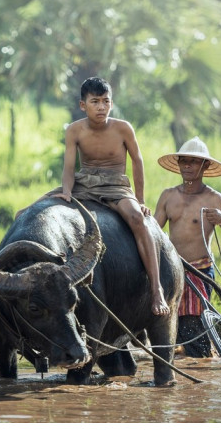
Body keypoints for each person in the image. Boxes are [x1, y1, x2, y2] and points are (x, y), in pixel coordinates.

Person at [48, 76, 169, 315]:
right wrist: (66, 192)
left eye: (106, 101)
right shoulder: (74, 130)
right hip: (85, 182)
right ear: (83, 105)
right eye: (95, 102)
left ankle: (157, 289)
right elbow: (69, 167)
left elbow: (137, 162)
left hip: (115, 185)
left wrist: (140, 200)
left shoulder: (123, 128)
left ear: (111, 103)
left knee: (137, 219)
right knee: (30, 211)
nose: (101, 107)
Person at [153, 137, 221, 357]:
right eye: (183, 161)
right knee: (166, 326)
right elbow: (153, 233)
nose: (187, 166)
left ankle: (199, 357)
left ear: (205, 165)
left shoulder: (215, 199)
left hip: (199, 272)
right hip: (171, 271)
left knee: (194, 332)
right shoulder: (168, 196)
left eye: (193, 161)